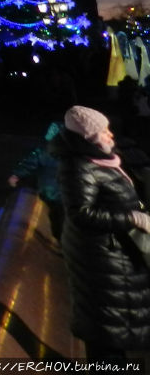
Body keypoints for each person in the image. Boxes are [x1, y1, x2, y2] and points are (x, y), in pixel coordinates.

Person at [52, 105, 150, 360]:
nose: (110, 135)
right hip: (100, 257)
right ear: (89, 137)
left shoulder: (103, 158)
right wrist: (132, 218)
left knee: (114, 323)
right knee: (106, 328)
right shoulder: (79, 166)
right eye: (103, 131)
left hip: (114, 253)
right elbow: (80, 213)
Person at [8, 120, 64, 237]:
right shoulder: (73, 153)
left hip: (48, 191)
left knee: (54, 215)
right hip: (65, 192)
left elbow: (29, 163)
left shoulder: (43, 151)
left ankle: (56, 236)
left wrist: (16, 175)